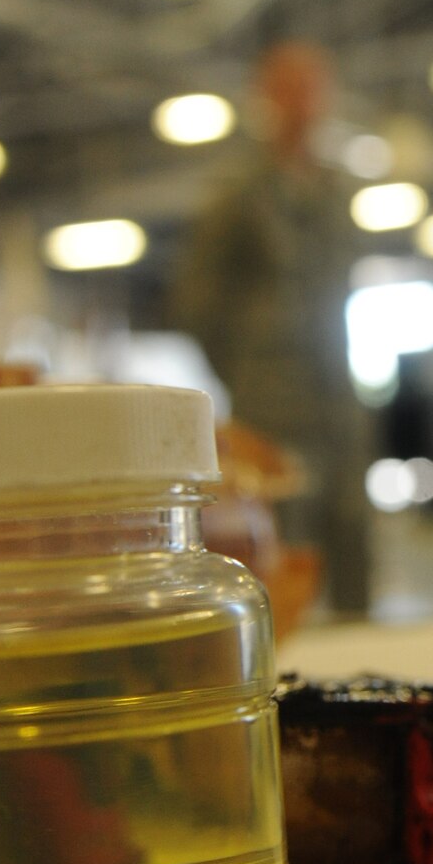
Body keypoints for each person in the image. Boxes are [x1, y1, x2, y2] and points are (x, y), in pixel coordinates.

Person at [171, 38, 372, 616]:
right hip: (273, 406)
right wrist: (249, 372)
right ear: (265, 98)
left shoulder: (336, 192)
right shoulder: (239, 195)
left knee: (353, 539)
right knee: (282, 548)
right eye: (291, 89)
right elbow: (195, 303)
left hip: (339, 395)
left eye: (314, 88)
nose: (305, 102)